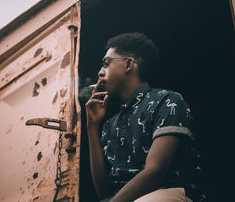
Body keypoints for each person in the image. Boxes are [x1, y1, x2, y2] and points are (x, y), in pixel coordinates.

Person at [85, 32, 206, 202]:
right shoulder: (109, 125)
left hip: (171, 192)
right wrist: (92, 126)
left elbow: (155, 172)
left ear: (128, 64)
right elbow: (104, 193)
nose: (99, 72)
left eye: (106, 64)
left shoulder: (167, 100)